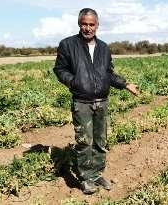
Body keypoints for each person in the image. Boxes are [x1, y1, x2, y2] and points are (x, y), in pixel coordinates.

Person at [53, 8, 138, 194]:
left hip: (102, 101)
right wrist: (74, 82)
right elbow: (60, 69)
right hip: (82, 102)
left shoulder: (104, 48)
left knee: (100, 141)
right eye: (85, 24)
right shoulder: (68, 44)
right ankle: (85, 178)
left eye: (92, 24)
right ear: (79, 24)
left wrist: (125, 84)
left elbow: (108, 73)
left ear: (97, 25)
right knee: (84, 141)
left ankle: (97, 174)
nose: (88, 28)